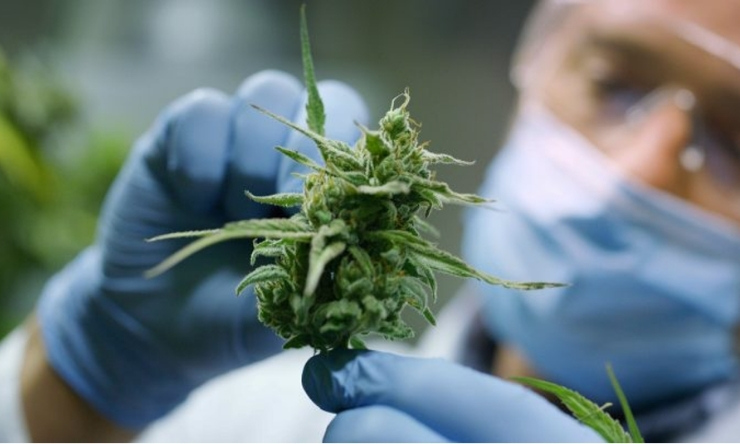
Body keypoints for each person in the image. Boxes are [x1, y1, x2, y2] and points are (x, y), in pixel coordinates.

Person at [2, 0, 740, 441]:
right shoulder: (257, 416)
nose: (644, 167)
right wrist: (75, 394)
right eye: (615, 85)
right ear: (533, 74)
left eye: (734, 142)